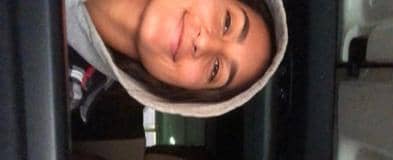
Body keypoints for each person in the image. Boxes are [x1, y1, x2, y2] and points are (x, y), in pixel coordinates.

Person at [66, 0, 287, 117]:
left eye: (215, 70)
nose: (203, 44)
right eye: (227, 22)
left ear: (181, 93)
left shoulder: (57, 87)